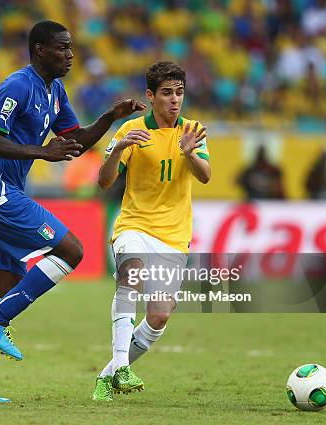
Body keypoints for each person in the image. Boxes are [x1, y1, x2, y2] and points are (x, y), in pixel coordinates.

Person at [0, 20, 145, 403]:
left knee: (7, 284)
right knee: (71, 250)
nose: (70, 54)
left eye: (71, 47)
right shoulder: (17, 86)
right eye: (62, 47)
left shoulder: (54, 90)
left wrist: (110, 117)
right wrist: (43, 151)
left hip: (0, 193)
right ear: (40, 49)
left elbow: (74, 141)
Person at [92, 61, 211, 401]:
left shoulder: (192, 130)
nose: (175, 101)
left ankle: (108, 374)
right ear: (150, 95)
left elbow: (205, 175)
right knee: (130, 276)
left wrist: (191, 154)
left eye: (179, 93)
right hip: (135, 224)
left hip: (173, 234)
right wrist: (118, 148)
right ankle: (122, 364)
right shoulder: (131, 130)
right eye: (167, 93)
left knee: (159, 315)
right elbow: (104, 181)